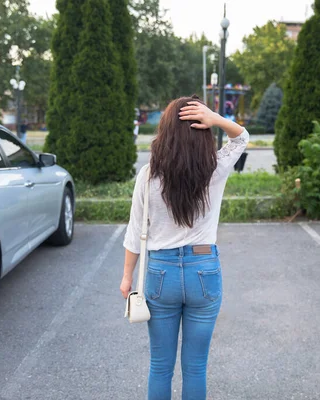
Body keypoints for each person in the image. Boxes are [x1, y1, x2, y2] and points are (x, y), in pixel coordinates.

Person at [120, 96, 249, 400]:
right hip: (203, 271)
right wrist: (215, 118)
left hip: (160, 274)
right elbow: (241, 137)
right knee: (195, 368)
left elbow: (135, 229)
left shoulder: (149, 174)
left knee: (160, 366)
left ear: (164, 132)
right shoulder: (214, 168)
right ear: (203, 132)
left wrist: (127, 276)